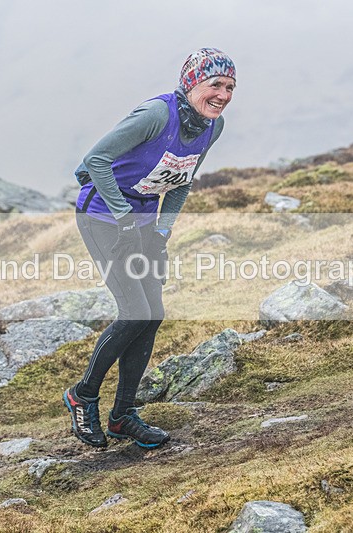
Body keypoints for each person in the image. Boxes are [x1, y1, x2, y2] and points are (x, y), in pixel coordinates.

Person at [63, 48, 236, 449]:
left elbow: (183, 179)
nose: (223, 94)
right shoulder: (157, 115)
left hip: (141, 221)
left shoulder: (214, 125)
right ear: (192, 84)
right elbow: (96, 160)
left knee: (153, 315)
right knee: (135, 311)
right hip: (104, 217)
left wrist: (161, 232)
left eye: (230, 87)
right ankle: (82, 395)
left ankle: (123, 416)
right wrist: (125, 218)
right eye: (215, 85)